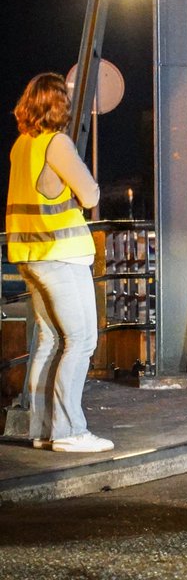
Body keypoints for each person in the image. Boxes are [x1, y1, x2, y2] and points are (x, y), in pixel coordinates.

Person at [5, 73, 113, 453]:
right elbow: (90, 194)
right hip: (62, 256)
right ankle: (69, 431)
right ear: (58, 106)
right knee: (81, 341)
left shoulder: (21, 146)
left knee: (50, 341)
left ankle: (40, 429)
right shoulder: (57, 143)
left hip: (30, 258)